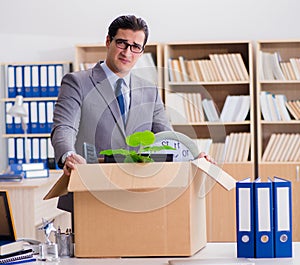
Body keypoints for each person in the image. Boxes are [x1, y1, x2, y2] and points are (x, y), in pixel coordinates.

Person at [51, 14, 214, 178]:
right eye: (122, 43)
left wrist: (194, 158)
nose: (127, 52)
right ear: (108, 41)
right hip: (89, 184)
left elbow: (166, 139)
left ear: (142, 51)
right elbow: (64, 127)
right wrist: (68, 155)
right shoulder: (77, 82)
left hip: (137, 190)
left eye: (135, 46)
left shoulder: (149, 90)